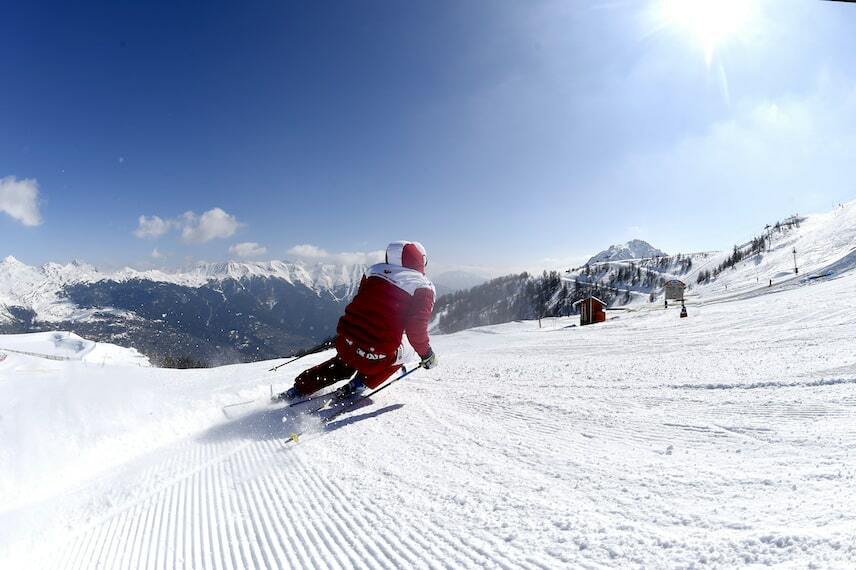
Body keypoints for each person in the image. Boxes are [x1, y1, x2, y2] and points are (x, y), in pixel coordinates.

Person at [278, 240, 438, 402]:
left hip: (346, 342)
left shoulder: (373, 271)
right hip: (375, 357)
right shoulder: (423, 286)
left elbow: (365, 303)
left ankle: (298, 389)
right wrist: (427, 355)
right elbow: (416, 329)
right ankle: (360, 383)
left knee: (344, 362)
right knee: (407, 352)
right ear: (420, 260)